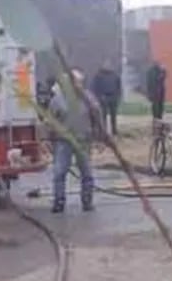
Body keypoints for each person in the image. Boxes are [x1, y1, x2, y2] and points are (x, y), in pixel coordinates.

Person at [49, 69, 102, 214]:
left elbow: (97, 117)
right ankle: (59, 202)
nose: (75, 85)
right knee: (59, 172)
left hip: (83, 140)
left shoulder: (88, 98)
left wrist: (99, 137)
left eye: (78, 82)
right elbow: (51, 120)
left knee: (87, 173)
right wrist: (48, 139)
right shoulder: (57, 100)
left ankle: (87, 201)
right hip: (63, 141)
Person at [90, 61, 122, 137]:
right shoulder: (98, 76)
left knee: (113, 115)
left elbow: (118, 86)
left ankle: (114, 130)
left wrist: (118, 95)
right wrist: (99, 97)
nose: (108, 66)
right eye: (106, 65)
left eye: (109, 65)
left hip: (113, 97)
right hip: (103, 97)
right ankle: (103, 131)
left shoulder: (115, 75)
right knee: (103, 115)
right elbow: (95, 88)